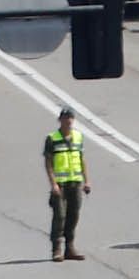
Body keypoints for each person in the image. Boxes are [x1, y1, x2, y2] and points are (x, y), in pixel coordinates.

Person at [44, 110, 88, 259]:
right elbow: (48, 162)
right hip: (60, 184)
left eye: (70, 118)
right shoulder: (52, 138)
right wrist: (53, 184)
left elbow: (82, 159)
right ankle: (56, 249)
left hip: (75, 183)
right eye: (65, 118)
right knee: (60, 216)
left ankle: (70, 248)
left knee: (73, 215)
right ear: (60, 120)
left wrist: (86, 180)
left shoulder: (78, 137)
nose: (68, 121)